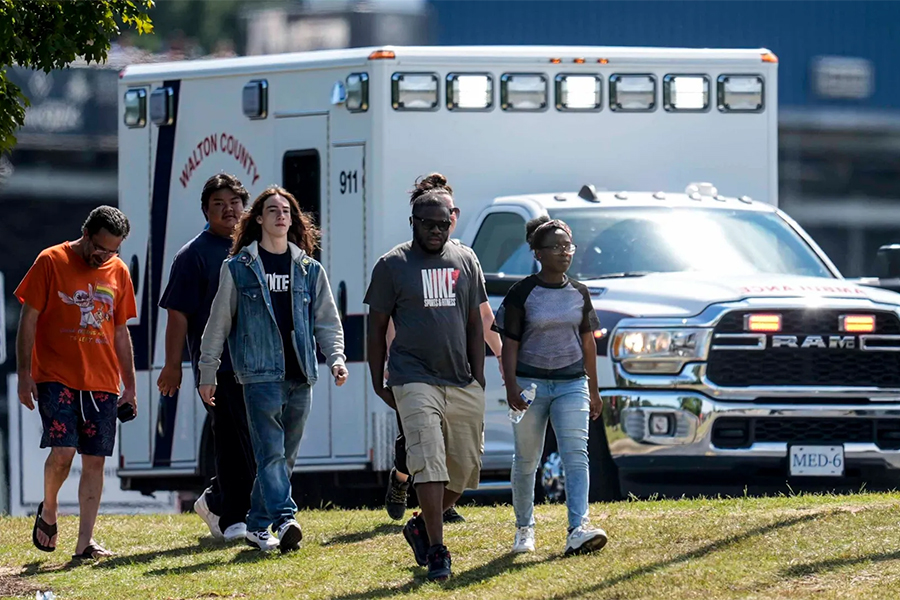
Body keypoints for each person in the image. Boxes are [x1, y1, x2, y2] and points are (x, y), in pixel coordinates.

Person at [198, 186, 348, 553]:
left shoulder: (310, 269)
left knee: (287, 455)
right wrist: (207, 372)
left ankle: (256, 526)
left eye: (287, 210)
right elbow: (218, 324)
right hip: (259, 374)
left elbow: (327, 321)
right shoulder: (238, 268)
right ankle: (285, 517)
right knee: (270, 454)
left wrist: (337, 358)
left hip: (301, 374)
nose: (281, 215)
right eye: (273, 210)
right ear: (259, 219)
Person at [365, 174, 487, 581]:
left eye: (443, 224)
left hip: (461, 378)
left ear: (451, 223)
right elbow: (376, 327)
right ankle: (437, 550)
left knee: (467, 468)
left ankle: (419, 524)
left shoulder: (466, 259)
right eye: (427, 224)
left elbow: (474, 322)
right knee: (428, 460)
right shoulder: (392, 265)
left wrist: (479, 376)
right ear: (413, 221)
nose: (436, 230)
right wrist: (377, 379)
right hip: (412, 376)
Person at [15, 206, 137, 559]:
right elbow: (28, 319)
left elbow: (119, 331)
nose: (105, 256)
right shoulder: (50, 260)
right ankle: (49, 509)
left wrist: (128, 385)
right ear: (86, 235)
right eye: (100, 248)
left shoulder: (119, 272)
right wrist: (25, 374)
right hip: (55, 375)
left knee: (95, 460)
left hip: (101, 380)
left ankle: (85, 542)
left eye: (113, 250)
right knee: (64, 452)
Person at [384, 174, 504, 524]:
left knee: (454, 446)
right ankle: (400, 480)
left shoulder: (463, 258)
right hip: (413, 371)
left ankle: (436, 510)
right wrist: (394, 365)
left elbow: (483, 316)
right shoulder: (403, 262)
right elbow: (393, 320)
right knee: (418, 444)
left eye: (447, 213)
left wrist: (504, 357)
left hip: (455, 373)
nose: (441, 221)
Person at [493, 216, 608, 556]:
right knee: (527, 459)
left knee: (576, 456)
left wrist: (594, 388)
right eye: (556, 247)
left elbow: (588, 343)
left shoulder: (579, 292)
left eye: (568, 246)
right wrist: (511, 385)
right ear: (538, 253)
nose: (564, 253)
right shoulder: (522, 293)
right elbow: (509, 344)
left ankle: (578, 528)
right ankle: (524, 529)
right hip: (530, 385)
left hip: (572, 384)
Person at [158, 173, 254, 542]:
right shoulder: (193, 255)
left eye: (234, 203)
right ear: (206, 211)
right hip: (218, 365)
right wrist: (173, 365)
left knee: (257, 441)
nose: (228, 211)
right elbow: (178, 314)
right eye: (219, 205)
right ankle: (230, 514)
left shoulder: (256, 247)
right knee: (234, 440)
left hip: (258, 364)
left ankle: (216, 500)